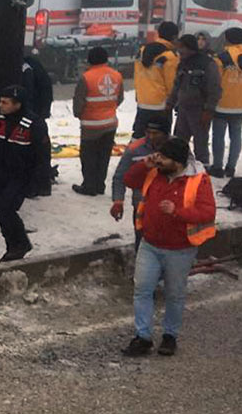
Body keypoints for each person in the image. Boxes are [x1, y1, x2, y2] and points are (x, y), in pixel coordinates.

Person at [121, 138, 216, 357]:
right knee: (143, 289)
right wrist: (145, 164)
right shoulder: (155, 171)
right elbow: (129, 180)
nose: (159, 161)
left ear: (178, 162)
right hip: (150, 243)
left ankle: (169, 336)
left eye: (164, 158)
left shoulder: (198, 180)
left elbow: (207, 212)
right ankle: (143, 336)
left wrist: (177, 211)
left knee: (175, 293)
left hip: (180, 249)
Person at [0, 85, 48, 262]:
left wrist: (39, 182)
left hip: (22, 176)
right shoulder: (1, 119)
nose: (0, 105)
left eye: (5, 102)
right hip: (3, 174)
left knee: (5, 208)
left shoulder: (34, 124)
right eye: (0, 101)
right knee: (0, 208)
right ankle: (15, 244)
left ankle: (18, 245)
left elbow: (43, 155)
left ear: (17, 104)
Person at [110, 115, 171, 247]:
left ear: (165, 133)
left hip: (170, 208)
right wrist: (118, 201)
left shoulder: (178, 148)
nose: (151, 137)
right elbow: (120, 177)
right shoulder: (134, 149)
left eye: (156, 133)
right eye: (148, 133)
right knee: (143, 244)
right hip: (142, 207)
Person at [71, 47, 124, 196]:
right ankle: (100, 185)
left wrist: (79, 115)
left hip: (91, 125)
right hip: (110, 124)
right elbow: (119, 98)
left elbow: (78, 103)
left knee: (89, 156)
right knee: (103, 156)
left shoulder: (86, 78)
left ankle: (89, 186)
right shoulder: (117, 76)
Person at [166, 33, 221, 166]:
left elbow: (214, 89)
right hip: (183, 109)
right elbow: (176, 85)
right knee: (179, 142)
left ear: (189, 47)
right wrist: (170, 103)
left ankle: (202, 170)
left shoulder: (207, 64)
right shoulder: (183, 64)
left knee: (200, 143)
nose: (179, 51)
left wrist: (208, 110)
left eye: (181, 48)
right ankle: (179, 167)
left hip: (199, 111)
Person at [133, 20, 180, 137]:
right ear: (174, 37)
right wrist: (174, 102)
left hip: (143, 102)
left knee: (139, 138)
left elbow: (137, 75)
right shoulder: (170, 56)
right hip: (161, 105)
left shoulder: (142, 51)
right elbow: (172, 83)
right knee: (161, 139)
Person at [209, 27, 242, 178]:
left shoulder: (221, 58)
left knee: (218, 135)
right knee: (236, 136)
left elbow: (214, 82)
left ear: (227, 39)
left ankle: (217, 167)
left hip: (222, 105)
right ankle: (231, 167)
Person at [20, 54, 55, 197]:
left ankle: (33, 186)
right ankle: (43, 185)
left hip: (31, 115)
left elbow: (27, 95)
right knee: (41, 151)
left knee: (32, 151)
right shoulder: (33, 65)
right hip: (38, 115)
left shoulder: (25, 68)